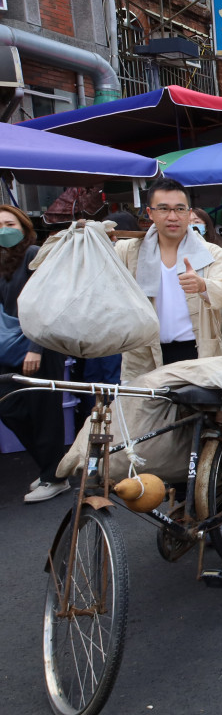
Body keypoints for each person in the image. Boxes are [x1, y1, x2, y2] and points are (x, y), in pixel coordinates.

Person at [114, 178, 222, 382]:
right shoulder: (129, 251)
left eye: (179, 209)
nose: (172, 216)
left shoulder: (211, 253)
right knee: (141, 411)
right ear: (150, 213)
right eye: (163, 209)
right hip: (144, 355)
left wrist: (203, 286)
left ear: (188, 213)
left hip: (198, 352)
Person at [0, 206, 72, 503]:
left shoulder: (33, 254)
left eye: (9, 223)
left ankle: (55, 477)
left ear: (23, 225)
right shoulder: (2, 261)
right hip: (10, 347)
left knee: (45, 413)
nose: (4, 229)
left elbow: (48, 301)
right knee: (9, 407)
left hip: (39, 346)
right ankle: (50, 468)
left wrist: (35, 347)